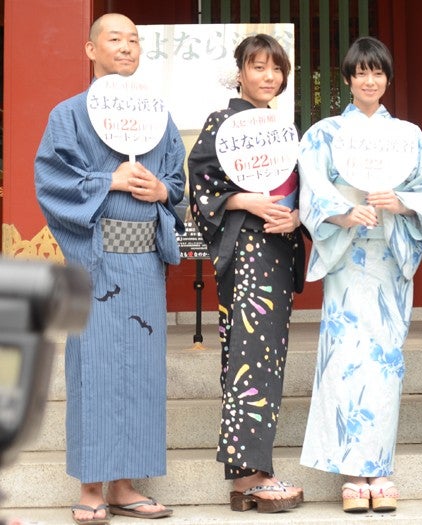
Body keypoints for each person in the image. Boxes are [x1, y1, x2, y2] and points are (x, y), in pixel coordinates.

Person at [34, 13, 182, 524]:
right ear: (90, 49)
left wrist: (161, 190)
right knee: (93, 369)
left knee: (141, 371)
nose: (126, 47)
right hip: (94, 259)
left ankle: (126, 484)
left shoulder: (157, 116)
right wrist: (109, 181)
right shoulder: (69, 115)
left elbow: (176, 183)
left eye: (133, 40)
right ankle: (92, 485)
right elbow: (51, 181)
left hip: (144, 263)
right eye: (114, 38)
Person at [297, 36, 422, 513]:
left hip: (388, 258)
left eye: (377, 72)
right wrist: (343, 214)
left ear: (387, 79)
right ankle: (351, 472)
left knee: (384, 362)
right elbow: (312, 187)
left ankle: (378, 466)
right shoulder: (324, 133)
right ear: (347, 79)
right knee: (345, 359)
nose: (370, 80)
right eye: (361, 72)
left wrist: (398, 202)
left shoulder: (407, 135)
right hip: (346, 256)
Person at [187, 33, 305, 513]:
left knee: (263, 355)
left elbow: (300, 188)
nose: (268, 76)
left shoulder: (281, 126)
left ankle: (248, 475)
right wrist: (244, 200)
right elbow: (202, 185)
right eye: (258, 67)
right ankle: (250, 474)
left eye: (276, 68)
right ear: (240, 73)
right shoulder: (222, 122)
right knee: (248, 353)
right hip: (247, 247)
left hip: (278, 244)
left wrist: (296, 217)